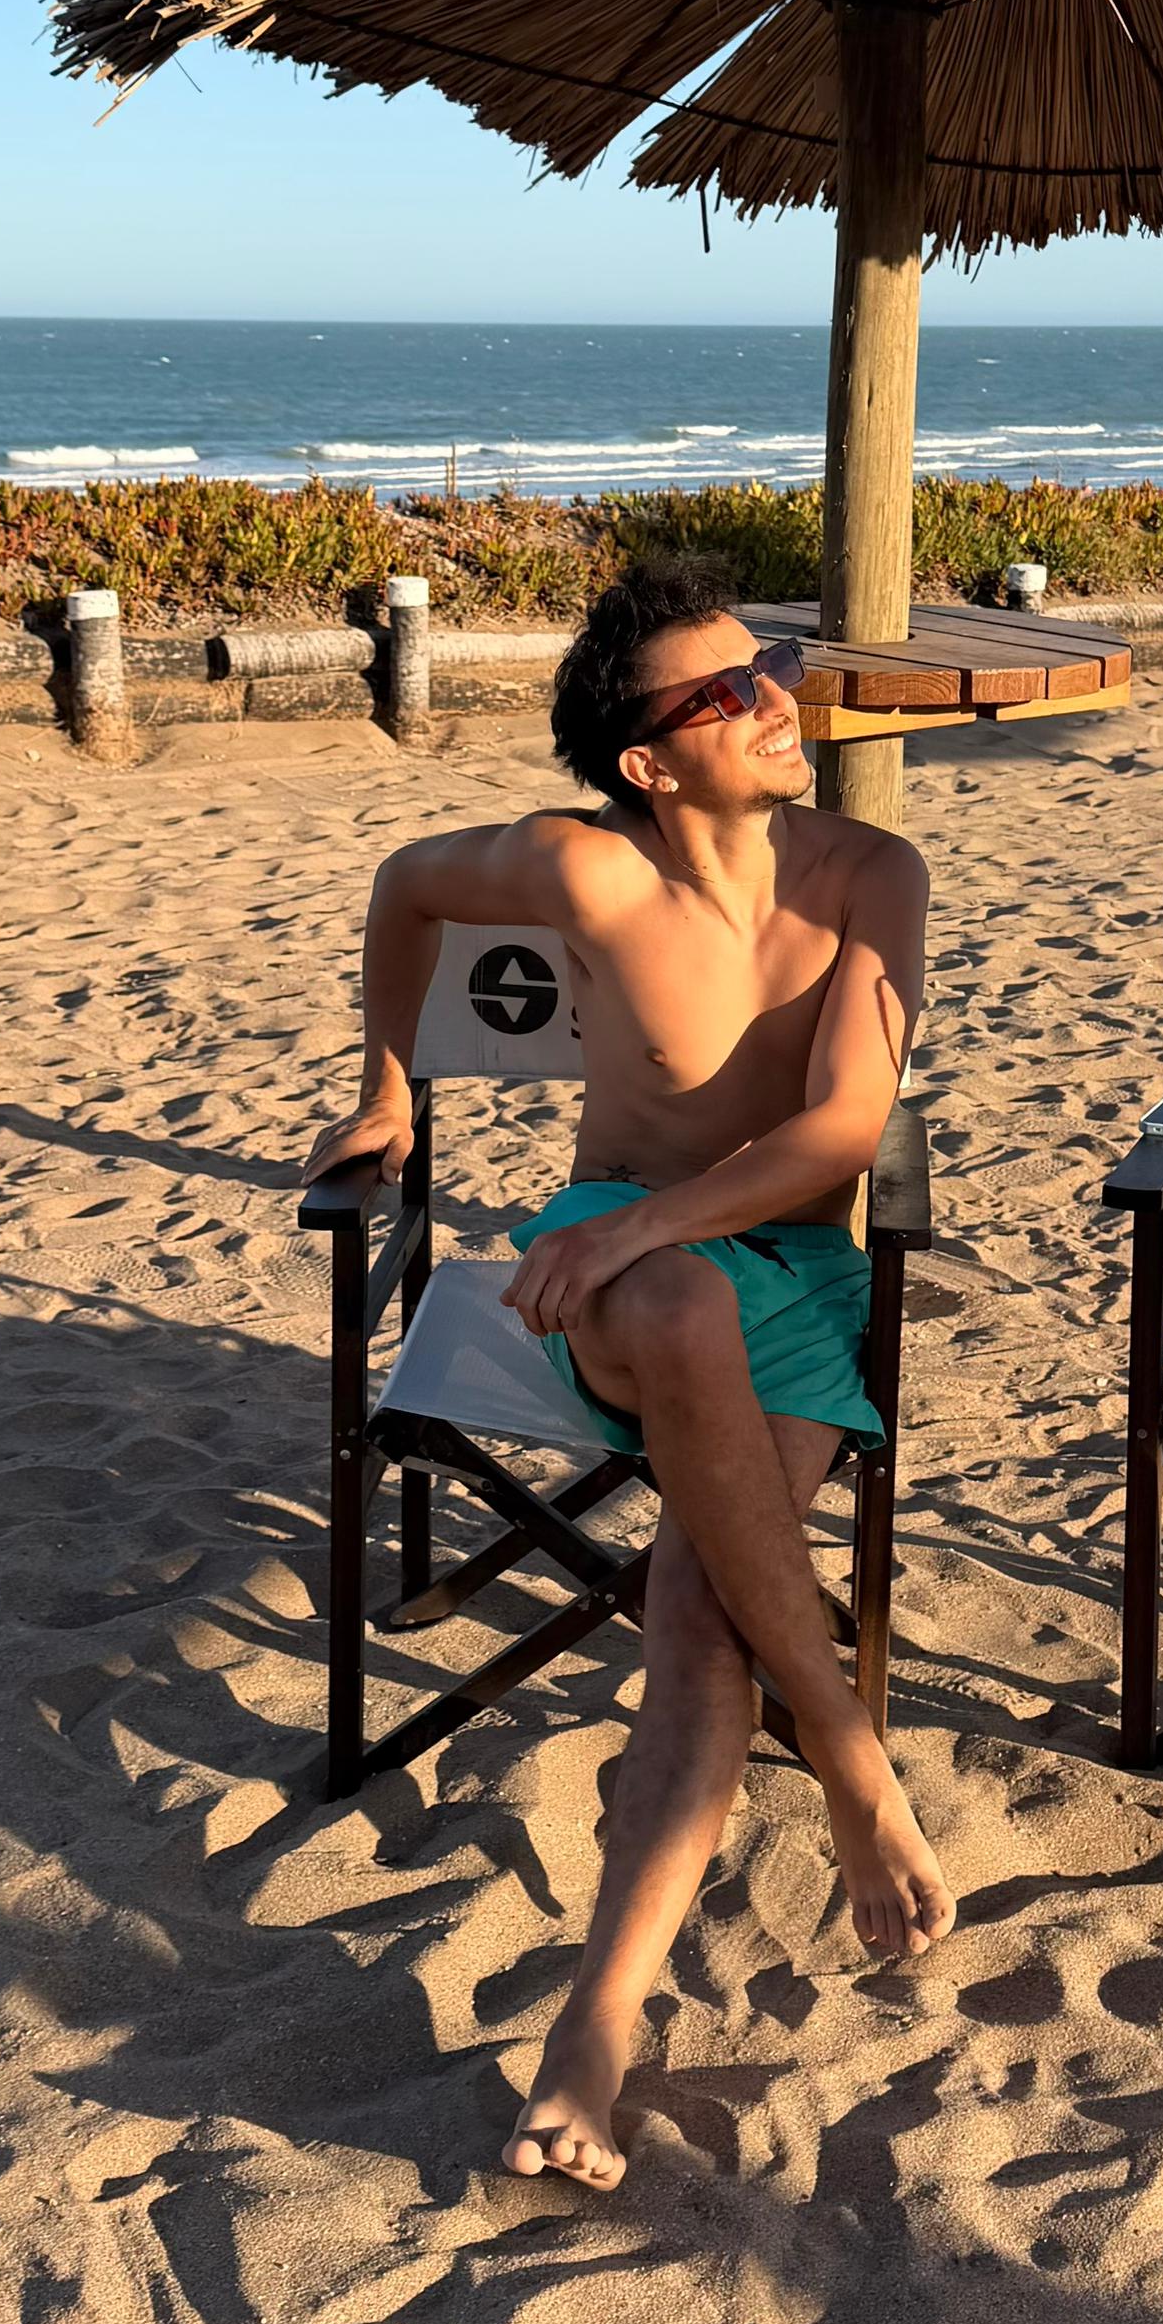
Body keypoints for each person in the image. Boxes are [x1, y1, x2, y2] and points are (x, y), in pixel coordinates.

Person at [304, 552, 951, 2186]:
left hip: (789, 1269)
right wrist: (388, 1091)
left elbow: (845, 1130)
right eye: (729, 690)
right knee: (668, 1310)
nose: (775, 698)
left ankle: (595, 2027)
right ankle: (850, 1753)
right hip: (623, 1262)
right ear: (654, 765)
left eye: (774, 664)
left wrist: (655, 1221)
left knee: (691, 1603)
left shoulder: (874, 873)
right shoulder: (585, 876)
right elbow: (402, 882)